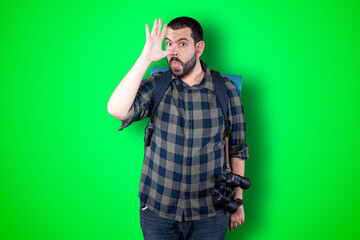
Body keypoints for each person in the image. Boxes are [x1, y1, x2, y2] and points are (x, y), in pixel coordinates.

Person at [107, 17, 249, 240]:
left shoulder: (226, 89)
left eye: (182, 44)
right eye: (169, 43)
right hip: (157, 211)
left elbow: (238, 149)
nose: (173, 51)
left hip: (210, 214)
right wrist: (145, 58)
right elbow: (116, 109)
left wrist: (237, 201)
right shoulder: (158, 84)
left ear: (199, 48)